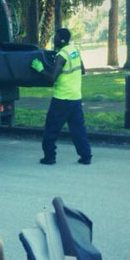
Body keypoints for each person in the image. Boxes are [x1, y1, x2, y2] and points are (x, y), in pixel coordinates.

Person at [30, 28, 91, 166]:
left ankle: (49, 157)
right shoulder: (74, 51)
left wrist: (40, 70)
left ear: (62, 39)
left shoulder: (61, 55)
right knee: (78, 129)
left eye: (56, 37)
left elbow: (52, 78)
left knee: (51, 129)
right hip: (75, 97)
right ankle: (86, 156)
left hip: (62, 99)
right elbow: (82, 71)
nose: (54, 39)